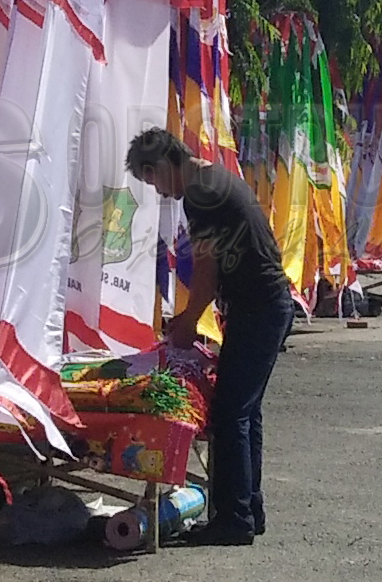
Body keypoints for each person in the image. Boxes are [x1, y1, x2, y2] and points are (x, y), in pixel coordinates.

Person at [126, 129, 292, 547]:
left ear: (162, 166)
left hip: (259, 308)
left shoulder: (199, 193)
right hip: (264, 305)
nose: (160, 192)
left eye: (153, 182)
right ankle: (247, 509)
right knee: (244, 411)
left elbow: (206, 270)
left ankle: (232, 519)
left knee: (229, 413)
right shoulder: (214, 177)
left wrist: (186, 321)